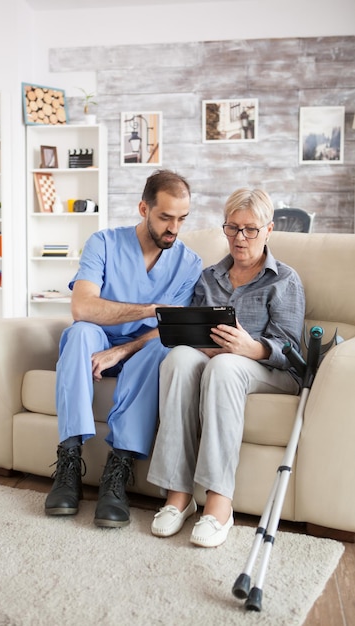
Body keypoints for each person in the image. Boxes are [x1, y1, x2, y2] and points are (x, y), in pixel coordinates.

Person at [147, 188, 305, 547]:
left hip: (270, 372)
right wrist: (197, 343)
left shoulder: (284, 280)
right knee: (178, 358)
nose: (239, 238)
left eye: (250, 229)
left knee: (226, 367)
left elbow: (290, 350)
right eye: (232, 228)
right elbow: (192, 332)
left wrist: (251, 347)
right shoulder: (209, 277)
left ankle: (219, 502)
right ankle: (178, 496)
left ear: (269, 230)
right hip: (216, 361)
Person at [45, 169, 202, 528]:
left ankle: (118, 471)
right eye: (165, 217)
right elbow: (83, 308)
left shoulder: (189, 264)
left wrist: (121, 350)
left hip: (140, 353)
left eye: (181, 219)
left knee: (162, 346)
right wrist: (151, 310)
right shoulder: (103, 243)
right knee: (80, 332)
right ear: (143, 208)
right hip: (96, 340)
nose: (173, 229)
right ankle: (68, 462)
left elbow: (170, 328)